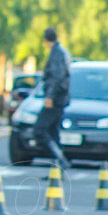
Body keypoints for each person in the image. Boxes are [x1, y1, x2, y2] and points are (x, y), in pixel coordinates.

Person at [35, 27, 72, 171]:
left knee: (39, 130)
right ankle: (56, 169)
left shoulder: (56, 53)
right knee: (53, 132)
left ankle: (60, 160)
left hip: (56, 98)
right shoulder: (63, 52)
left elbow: (57, 77)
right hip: (61, 98)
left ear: (45, 40)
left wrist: (50, 96)